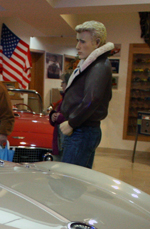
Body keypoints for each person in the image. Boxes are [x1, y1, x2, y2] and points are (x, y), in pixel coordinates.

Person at [59, 21, 114, 169]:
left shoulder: (99, 65)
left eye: (82, 41)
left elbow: (92, 99)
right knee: (74, 181)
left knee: (69, 182)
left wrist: (72, 122)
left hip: (82, 131)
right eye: (78, 41)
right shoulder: (93, 64)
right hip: (81, 129)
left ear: (96, 43)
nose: (78, 46)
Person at [49, 71, 70, 157]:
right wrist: (53, 116)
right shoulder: (64, 98)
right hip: (59, 138)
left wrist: (59, 117)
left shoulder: (71, 98)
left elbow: (71, 117)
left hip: (65, 139)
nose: (61, 85)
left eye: (63, 82)